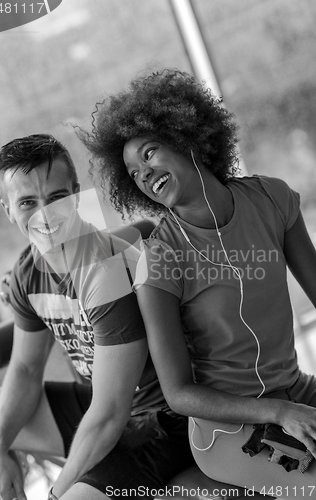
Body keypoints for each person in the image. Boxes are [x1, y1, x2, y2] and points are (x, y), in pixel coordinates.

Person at [80, 69, 316, 499]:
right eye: (133, 174)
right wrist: (279, 411)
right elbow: (179, 394)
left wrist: (290, 404)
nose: (145, 174)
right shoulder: (160, 262)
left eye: (149, 154)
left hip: (297, 394)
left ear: (186, 136)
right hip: (228, 431)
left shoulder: (271, 199)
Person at [0, 133, 196, 500]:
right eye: (28, 202)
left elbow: (111, 412)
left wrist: (54, 493)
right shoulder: (26, 272)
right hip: (97, 405)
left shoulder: (105, 269)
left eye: (57, 198)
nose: (45, 215)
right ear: (7, 208)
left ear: (77, 193)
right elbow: (25, 370)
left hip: (159, 424)